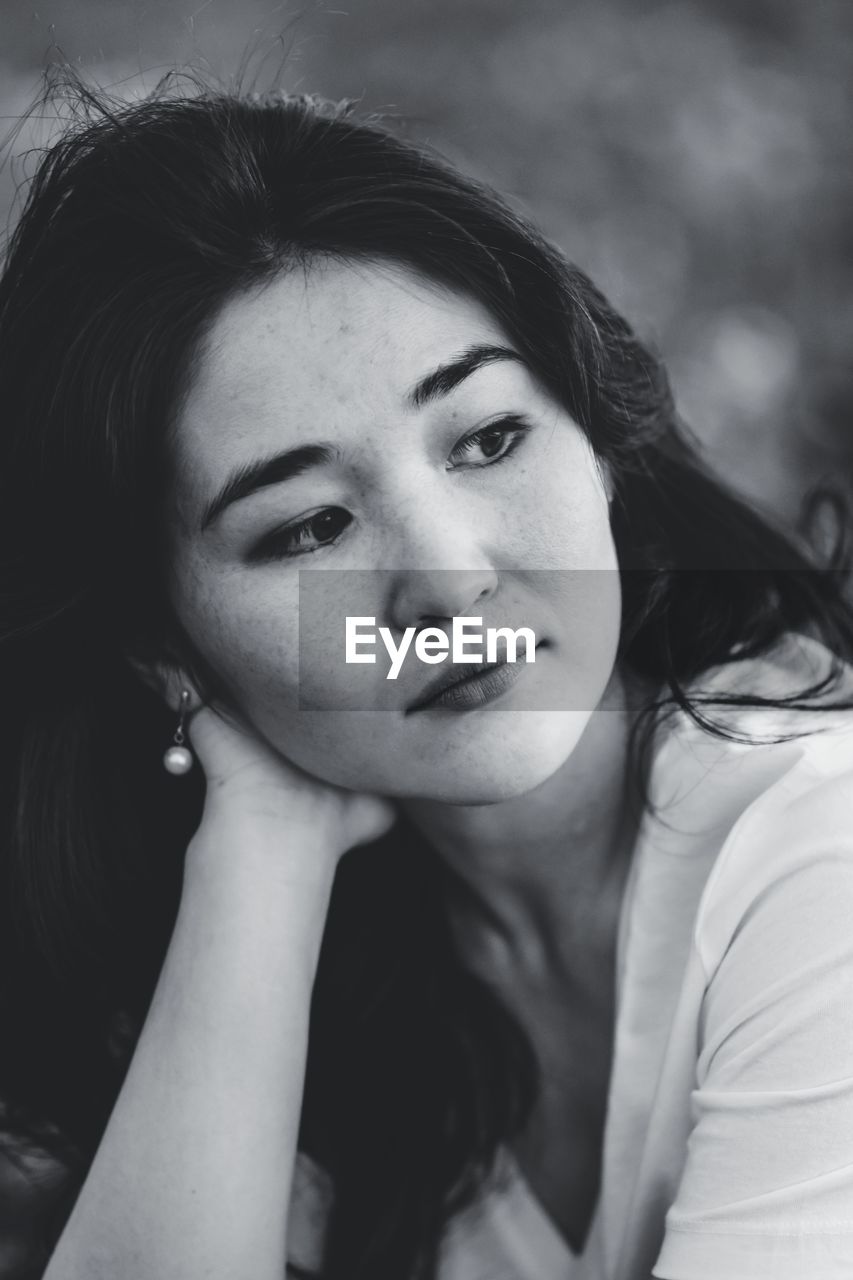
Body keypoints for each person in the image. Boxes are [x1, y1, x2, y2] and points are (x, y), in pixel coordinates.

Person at [1, 72, 852, 1280]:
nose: (450, 583)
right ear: (162, 643)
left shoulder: (821, 841)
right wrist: (262, 856)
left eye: (490, 439)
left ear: (602, 449)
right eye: (307, 528)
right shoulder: (292, 956)